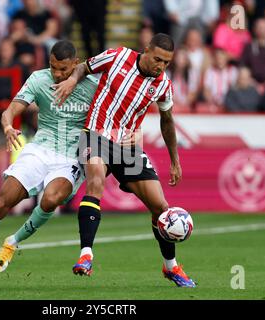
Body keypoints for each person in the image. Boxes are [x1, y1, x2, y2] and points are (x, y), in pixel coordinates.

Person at [0, 40, 101, 287]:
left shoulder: (92, 86)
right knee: (3, 200)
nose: (57, 74)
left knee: (50, 200)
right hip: (40, 149)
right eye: (53, 67)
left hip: (71, 156)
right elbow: (10, 110)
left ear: (76, 65)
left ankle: (12, 242)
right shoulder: (39, 79)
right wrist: (7, 125)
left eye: (63, 69)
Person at [54, 33, 196, 287]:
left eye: (166, 62)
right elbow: (83, 67)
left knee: (161, 208)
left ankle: (171, 268)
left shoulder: (162, 84)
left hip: (128, 147)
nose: (160, 66)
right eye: (157, 59)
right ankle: (86, 255)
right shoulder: (118, 56)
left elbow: (167, 121)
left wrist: (175, 159)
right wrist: (72, 81)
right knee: (95, 181)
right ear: (146, 50)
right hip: (96, 135)